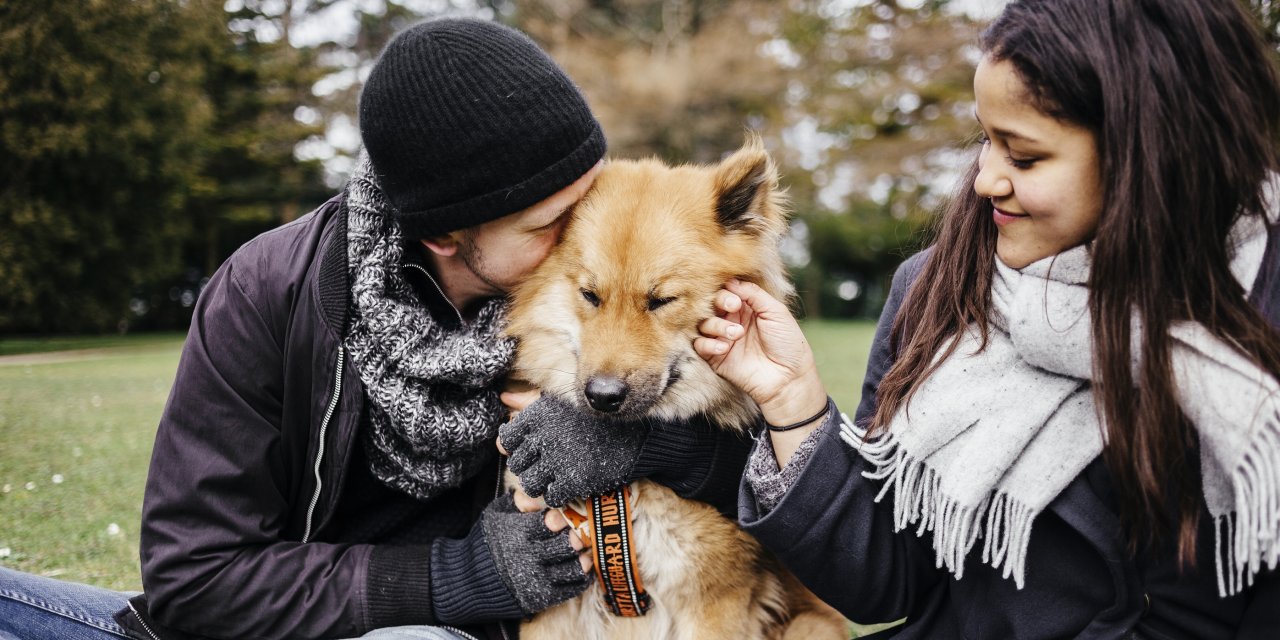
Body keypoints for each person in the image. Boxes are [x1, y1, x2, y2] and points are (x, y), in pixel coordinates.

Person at [0, 18, 749, 640]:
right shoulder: (265, 292)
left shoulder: (570, 309)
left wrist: (644, 440)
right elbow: (195, 578)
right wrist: (455, 578)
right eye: (552, 222)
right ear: (448, 236)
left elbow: (761, 477)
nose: (586, 233)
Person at [693, 0, 1280, 637]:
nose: (984, 180)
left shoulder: (1253, 328)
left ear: (1151, 151)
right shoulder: (936, 291)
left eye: (1023, 157)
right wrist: (793, 402)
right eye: (985, 139)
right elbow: (886, 579)